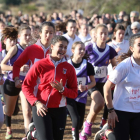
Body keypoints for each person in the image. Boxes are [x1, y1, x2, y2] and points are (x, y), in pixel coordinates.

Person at [22, 35, 78, 140]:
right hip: (41, 108)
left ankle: (34, 134)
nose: (63, 50)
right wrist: (36, 102)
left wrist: (62, 90)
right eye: (60, 46)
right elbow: (26, 86)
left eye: (65, 47)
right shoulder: (40, 64)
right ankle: (34, 134)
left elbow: (74, 93)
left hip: (60, 110)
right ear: (52, 46)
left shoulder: (69, 68)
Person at [13, 21, 55, 140]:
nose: (48, 35)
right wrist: (16, 79)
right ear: (40, 33)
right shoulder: (31, 49)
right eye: (46, 32)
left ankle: (32, 134)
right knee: (27, 112)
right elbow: (16, 65)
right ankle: (30, 133)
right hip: (32, 90)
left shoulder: (55, 51)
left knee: (46, 124)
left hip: (49, 93)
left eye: (51, 33)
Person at [79, 24, 117, 140]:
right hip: (91, 82)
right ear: (95, 34)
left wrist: (115, 69)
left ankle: (86, 130)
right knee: (99, 102)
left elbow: (114, 64)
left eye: (105, 33)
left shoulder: (110, 49)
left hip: (104, 83)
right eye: (101, 33)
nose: (104, 36)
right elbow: (80, 60)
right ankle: (88, 125)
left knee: (98, 105)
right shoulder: (89, 47)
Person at [104, 33, 140, 140]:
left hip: (138, 112)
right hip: (121, 112)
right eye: (139, 45)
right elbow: (106, 87)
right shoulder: (124, 66)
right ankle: (107, 134)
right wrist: (110, 111)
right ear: (131, 48)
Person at [0, 25, 31, 139]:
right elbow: (2, 65)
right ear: (19, 36)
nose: (27, 37)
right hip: (12, 82)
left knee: (27, 111)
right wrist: (18, 69)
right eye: (25, 35)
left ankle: (28, 136)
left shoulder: (31, 49)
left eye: (29, 35)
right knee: (9, 112)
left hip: (25, 84)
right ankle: (4, 109)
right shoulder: (15, 49)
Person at [67, 41, 96, 140]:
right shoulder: (66, 64)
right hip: (69, 96)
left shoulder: (87, 65)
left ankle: (77, 132)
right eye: (80, 49)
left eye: (83, 49)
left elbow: (93, 82)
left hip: (81, 98)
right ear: (73, 50)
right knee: (76, 119)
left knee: (79, 123)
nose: (82, 51)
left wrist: (86, 87)